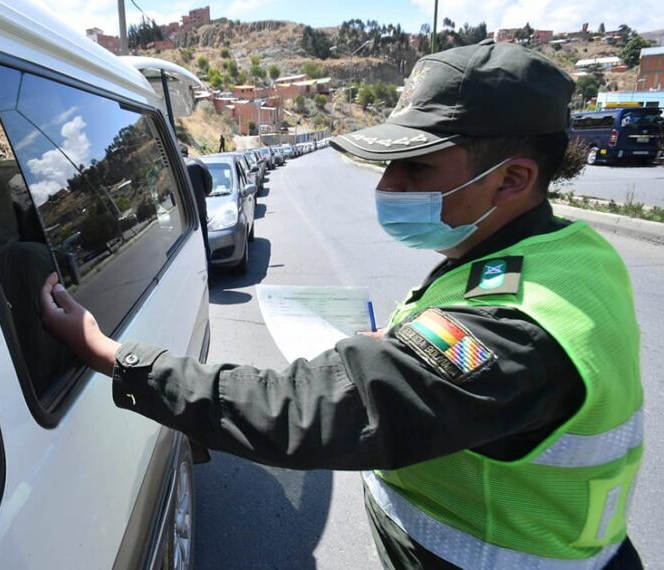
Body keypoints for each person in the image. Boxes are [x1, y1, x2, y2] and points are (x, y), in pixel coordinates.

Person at [39, 39, 643, 569]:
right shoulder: (571, 249)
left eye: (415, 169)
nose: (387, 188)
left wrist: (110, 354)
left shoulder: (515, 328)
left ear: (512, 179)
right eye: (388, 168)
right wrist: (400, 355)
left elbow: (296, 413)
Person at [179, 144, 214, 262]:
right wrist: (202, 195)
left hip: (180, 216)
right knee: (204, 243)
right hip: (200, 211)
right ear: (187, 153)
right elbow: (209, 186)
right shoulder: (197, 163)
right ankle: (207, 271)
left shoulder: (172, 167)